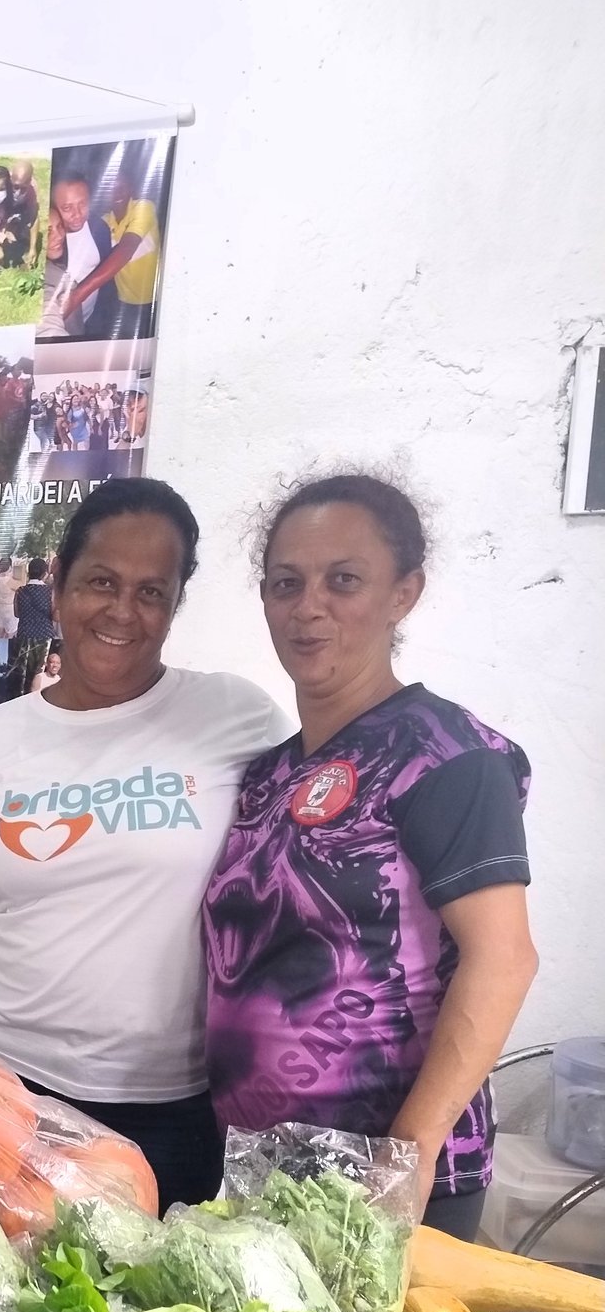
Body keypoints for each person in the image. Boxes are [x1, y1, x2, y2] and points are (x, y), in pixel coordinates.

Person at [0, 478, 291, 1211]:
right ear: (57, 586)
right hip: (3, 1095)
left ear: (176, 604)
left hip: (171, 1111)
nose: (122, 610)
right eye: (101, 582)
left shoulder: (235, 717)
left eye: (152, 592)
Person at [204, 474, 536, 1237]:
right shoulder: (268, 774)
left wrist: (407, 1156)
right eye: (286, 583)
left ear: (403, 593)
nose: (309, 606)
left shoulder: (447, 755)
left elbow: (504, 958)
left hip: (385, 1179)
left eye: (344, 580)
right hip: (260, 1165)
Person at [59, 162, 164, 340]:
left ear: (131, 187)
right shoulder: (104, 222)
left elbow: (126, 248)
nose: (118, 193)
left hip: (153, 301)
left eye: (122, 187)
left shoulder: (144, 207)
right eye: (111, 189)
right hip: (122, 302)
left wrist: (77, 296)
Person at [40, 170, 115, 339]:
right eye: (67, 208)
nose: (77, 214)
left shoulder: (98, 228)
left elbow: (106, 272)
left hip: (93, 317)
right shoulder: (50, 245)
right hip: (66, 325)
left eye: (83, 204)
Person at [9, 555, 55, 693]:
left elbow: (17, 613)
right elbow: (55, 615)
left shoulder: (20, 591)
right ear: (44, 573)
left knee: (21, 668)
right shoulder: (49, 592)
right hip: (45, 634)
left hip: (24, 633)